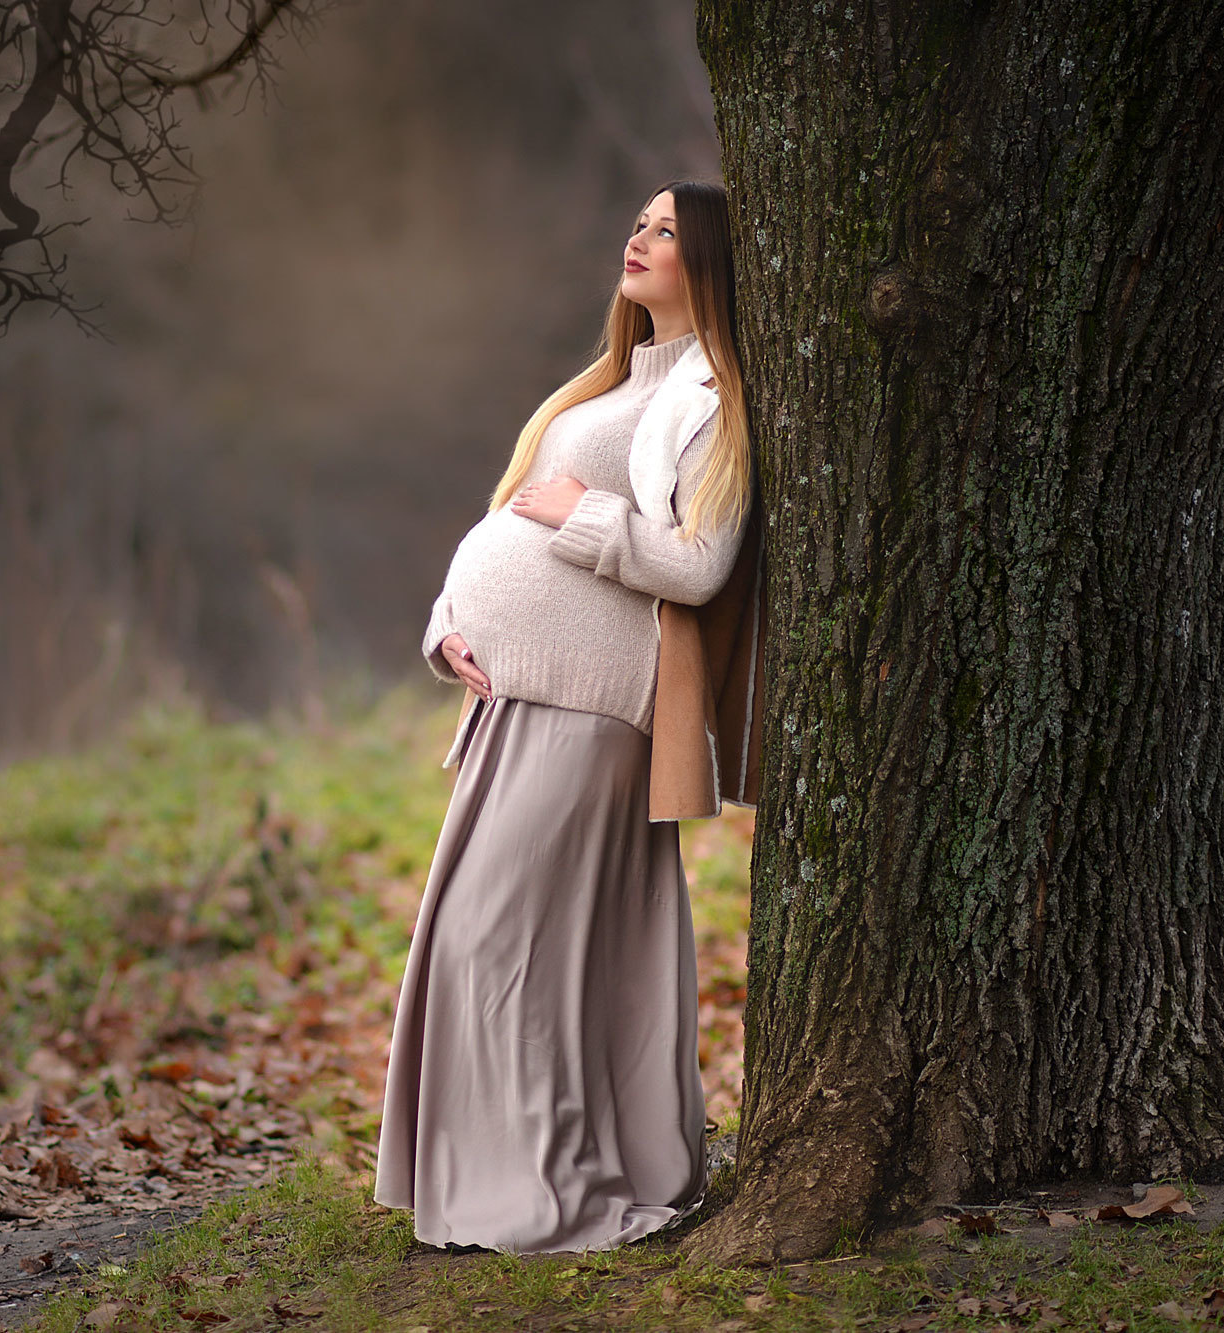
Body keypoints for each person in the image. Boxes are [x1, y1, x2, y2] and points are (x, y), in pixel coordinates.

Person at [372, 179, 759, 1254]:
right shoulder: (608, 384)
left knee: (498, 939)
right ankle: (509, 1177)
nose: (638, 240)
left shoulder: (708, 397)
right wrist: (449, 623)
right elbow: (503, 523)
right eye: (637, 223)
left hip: (590, 703)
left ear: (711, 265)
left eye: (667, 231)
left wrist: (582, 515)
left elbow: (697, 564)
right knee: (495, 937)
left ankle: (542, 1188)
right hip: (513, 697)